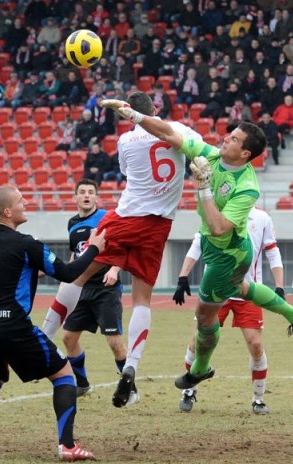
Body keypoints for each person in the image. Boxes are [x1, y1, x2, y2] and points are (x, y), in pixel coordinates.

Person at [94, 96, 293, 398]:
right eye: (230, 133)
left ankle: (199, 369)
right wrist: (133, 115)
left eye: (234, 138)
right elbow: (169, 134)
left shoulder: (247, 187)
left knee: (204, 317)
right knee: (244, 288)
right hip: (222, 251)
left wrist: (205, 187)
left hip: (227, 256)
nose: (226, 137)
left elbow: (219, 226)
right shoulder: (209, 155)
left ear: (245, 153)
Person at [41, 91, 203, 408]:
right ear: (155, 109)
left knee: (77, 274)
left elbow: (130, 174)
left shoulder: (127, 142)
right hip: (159, 226)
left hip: (126, 217)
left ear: (127, 114)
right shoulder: (180, 130)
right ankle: (131, 367)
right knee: (142, 299)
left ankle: (43, 337)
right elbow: (196, 152)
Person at [0, 186, 106, 462]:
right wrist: (94, 247)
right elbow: (68, 273)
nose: (26, 204)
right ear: (8, 212)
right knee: (64, 374)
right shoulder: (27, 243)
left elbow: (0, 269)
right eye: (21, 201)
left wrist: (32, 271)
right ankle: (67, 446)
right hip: (13, 327)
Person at [174, 207, 285, 414]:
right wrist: (183, 277)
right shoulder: (213, 214)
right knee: (197, 341)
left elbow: (272, 251)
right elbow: (197, 245)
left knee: (256, 344)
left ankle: (258, 398)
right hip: (215, 291)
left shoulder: (262, 217)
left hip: (248, 291)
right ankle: (189, 390)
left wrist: (279, 285)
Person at [61, 179, 129, 399]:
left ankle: (129, 387)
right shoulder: (72, 223)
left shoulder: (106, 217)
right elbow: (76, 254)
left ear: (97, 197)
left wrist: (115, 270)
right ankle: (82, 384)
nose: (87, 195)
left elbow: (122, 247)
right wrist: (68, 277)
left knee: (114, 342)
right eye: (82, 192)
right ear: (76, 197)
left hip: (105, 288)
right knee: (69, 338)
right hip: (81, 288)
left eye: (91, 192)